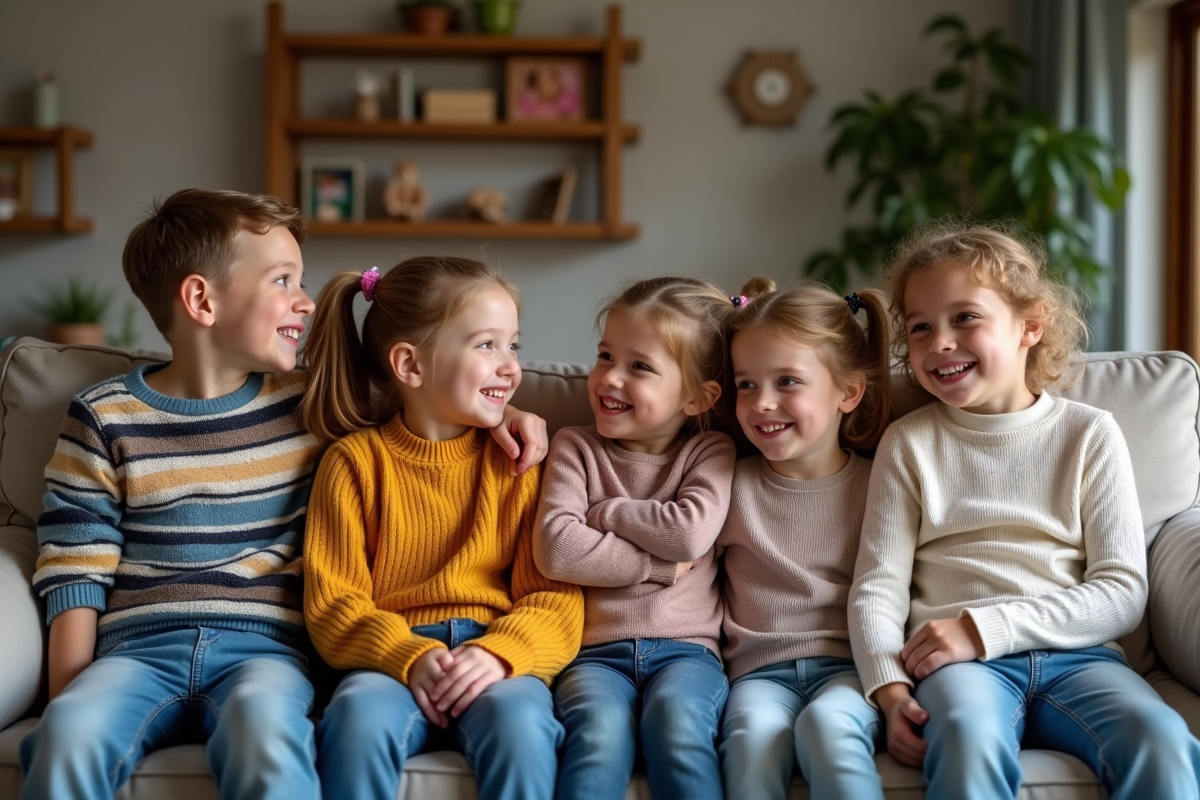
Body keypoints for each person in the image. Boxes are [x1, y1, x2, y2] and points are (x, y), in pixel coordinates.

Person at [18, 190, 549, 800]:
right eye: (283, 280)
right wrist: (67, 697)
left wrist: (512, 415)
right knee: (69, 734)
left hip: (262, 655)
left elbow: (426, 406)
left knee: (266, 738)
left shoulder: (310, 403)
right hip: (137, 651)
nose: (305, 299)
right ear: (201, 300)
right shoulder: (104, 416)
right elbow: (74, 563)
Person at [848, 220, 1200, 800]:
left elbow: (1121, 591)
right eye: (919, 327)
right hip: (960, 673)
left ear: (1029, 326)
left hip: (1080, 660)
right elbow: (877, 587)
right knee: (962, 740)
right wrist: (887, 688)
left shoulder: (1090, 434)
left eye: (965, 318)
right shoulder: (908, 442)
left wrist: (984, 628)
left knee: (1161, 739)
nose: (939, 341)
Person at [300, 257, 584, 800]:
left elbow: (556, 598)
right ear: (410, 364)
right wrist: (405, 655)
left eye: (513, 346)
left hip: (498, 655)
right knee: (356, 721)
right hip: (389, 662)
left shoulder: (520, 464)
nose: (509, 367)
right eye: (486, 345)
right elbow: (334, 604)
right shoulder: (354, 464)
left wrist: (501, 654)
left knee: (521, 728)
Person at [533, 276, 737, 800]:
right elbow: (557, 548)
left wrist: (609, 511)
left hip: (688, 654)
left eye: (639, 367)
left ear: (697, 397)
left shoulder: (709, 453)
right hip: (592, 655)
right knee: (598, 736)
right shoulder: (575, 446)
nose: (609, 378)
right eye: (605, 356)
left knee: (677, 725)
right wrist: (658, 567)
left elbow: (689, 532)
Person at [717, 279, 892, 800]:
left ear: (849, 392)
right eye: (746, 385)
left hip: (852, 671)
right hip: (757, 676)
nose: (761, 402)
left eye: (787, 381)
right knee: (750, 739)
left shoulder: (880, 483)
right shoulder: (726, 483)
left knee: (831, 730)